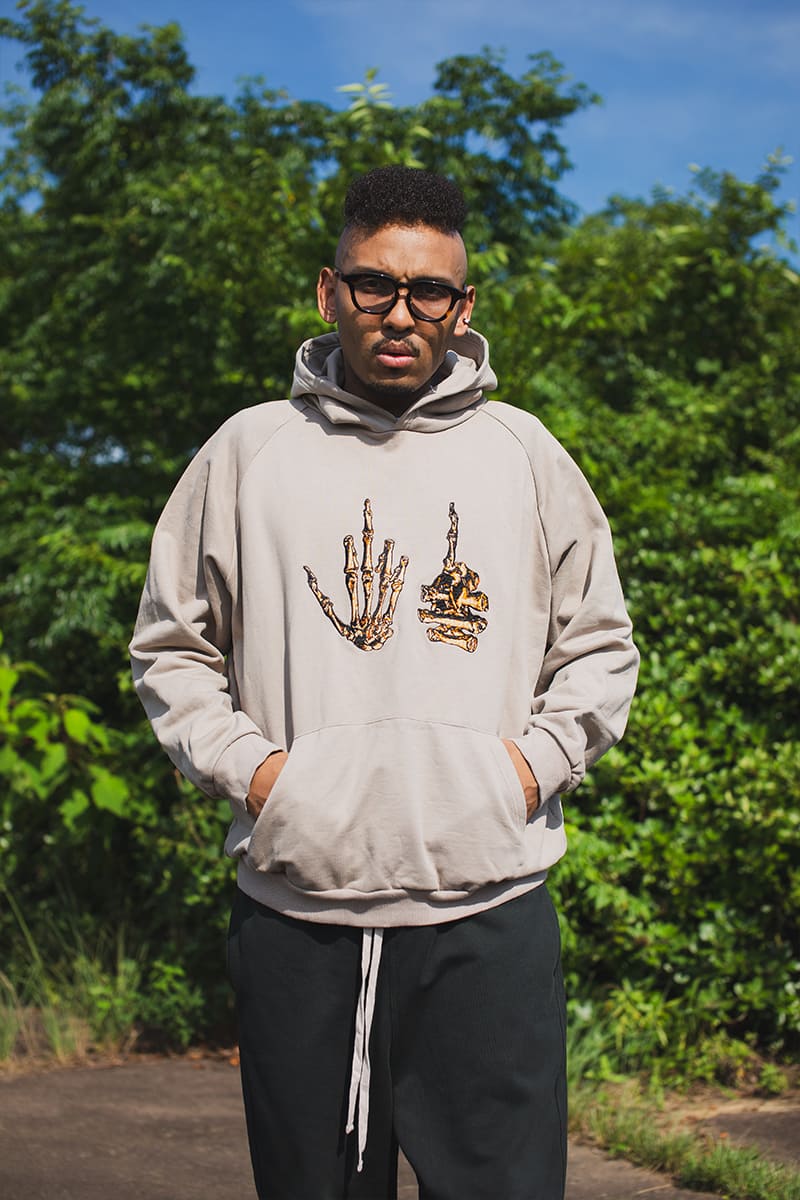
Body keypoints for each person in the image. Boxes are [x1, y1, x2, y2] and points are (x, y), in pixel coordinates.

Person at [130, 165, 639, 1200]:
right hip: (299, 916)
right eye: (374, 285)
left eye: (428, 291)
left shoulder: (524, 453)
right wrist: (263, 778)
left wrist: (522, 773)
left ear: (463, 306)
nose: (400, 314)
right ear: (330, 291)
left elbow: (597, 646)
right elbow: (171, 646)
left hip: (488, 912)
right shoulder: (248, 452)